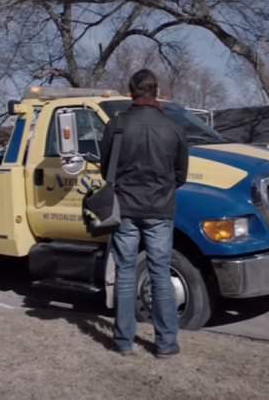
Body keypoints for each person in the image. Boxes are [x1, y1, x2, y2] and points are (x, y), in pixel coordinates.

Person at [100, 69, 189, 359]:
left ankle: (124, 342)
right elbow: (181, 174)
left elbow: (105, 171)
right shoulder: (173, 127)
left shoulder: (116, 125)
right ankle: (165, 343)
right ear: (156, 91)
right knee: (160, 273)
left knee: (125, 273)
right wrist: (162, 189)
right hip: (160, 209)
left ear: (131, 91)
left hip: (124, 208)